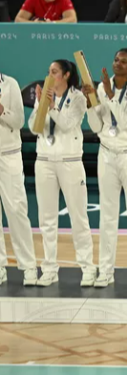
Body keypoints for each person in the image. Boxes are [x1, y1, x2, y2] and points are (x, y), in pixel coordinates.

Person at [82, 48, 127, 288]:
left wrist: (110, 96)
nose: (118, 64)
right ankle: (106, 271)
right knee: (107, 214)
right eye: (116, 60)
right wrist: (90, 104)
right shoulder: (101, 87)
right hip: (107, 154)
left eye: (124, 61)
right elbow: (96, 126)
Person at [28, 60, 95, 287]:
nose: (50, 75)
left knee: (78, 217)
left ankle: (87, 267)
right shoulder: (44, 96)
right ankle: (49, 269)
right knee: (46, 219)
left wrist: (51, 106)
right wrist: (41, 105)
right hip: (44, 160)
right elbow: (34, 127)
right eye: (48, 72)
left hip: (70, 161)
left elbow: (67, 124)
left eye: (54, 72)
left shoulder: (77, 98)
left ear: (66, 75)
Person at [0, 72, 39, 287]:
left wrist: (2, 110)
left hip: (9, 155)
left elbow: (19, 121)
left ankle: (28, 267)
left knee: (16, 211)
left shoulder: (10, 84)